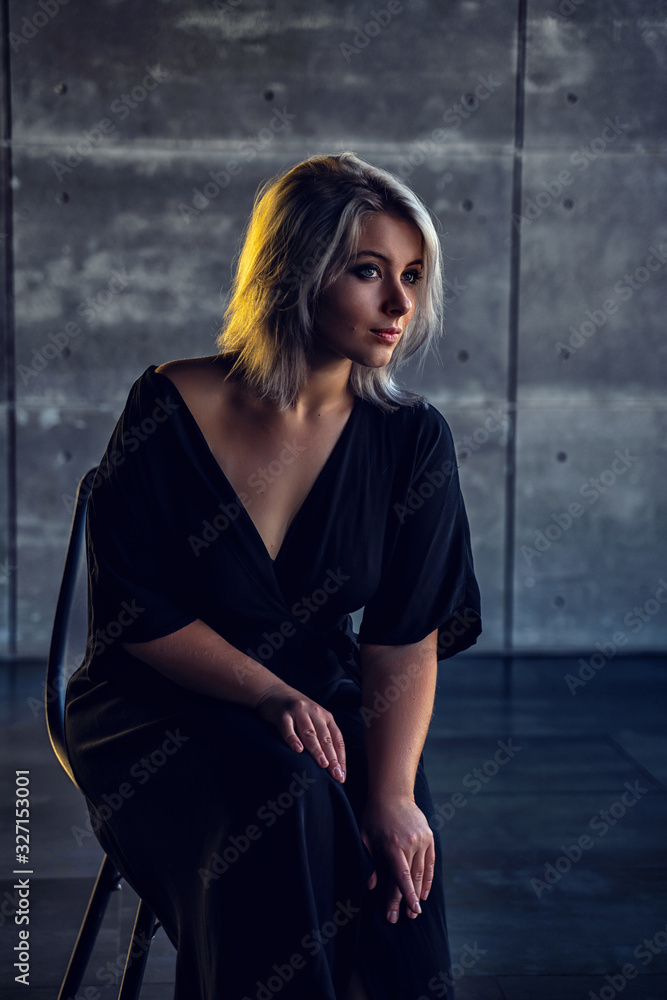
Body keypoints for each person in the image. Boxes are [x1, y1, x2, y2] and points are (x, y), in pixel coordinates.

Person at [64, 151, 482, 1000]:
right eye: (369, 273)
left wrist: (396, 796)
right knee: (286, 801)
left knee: (388, 841)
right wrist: (267, 694)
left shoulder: (409, 440)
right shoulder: (171, 403)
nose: (400, 304)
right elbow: (134, 612)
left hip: (323, 699)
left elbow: (403, 637)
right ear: (294, 270)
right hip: (156, 700)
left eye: (411, 275)